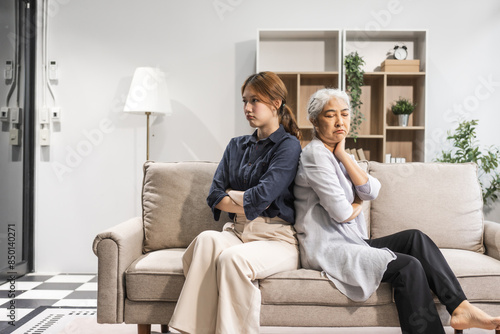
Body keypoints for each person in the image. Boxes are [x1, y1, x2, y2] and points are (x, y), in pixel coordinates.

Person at [293, 88, 500, 334]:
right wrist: (359, 202)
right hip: (330, 249)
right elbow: (341, 212)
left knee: (415, 238)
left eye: (345, 114)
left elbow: (372, 190)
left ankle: (461, 308)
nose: (340, 121)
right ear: (314, 121)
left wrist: (344, 156)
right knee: (408, 266)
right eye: (330, 115)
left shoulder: (335, 154)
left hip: (352, 241)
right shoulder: (315, 154)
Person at [169, 71, 302, 334]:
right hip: (238, 231)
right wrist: (246, 199)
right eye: (245, 101)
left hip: (276, 238)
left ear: (276, 103)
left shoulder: (288, 146)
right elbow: (215, 196)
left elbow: (263, 198)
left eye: (255, 101)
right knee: (207, 240)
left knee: (232, 260)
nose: (247, 108)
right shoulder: (236, 146)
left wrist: (236, 194)